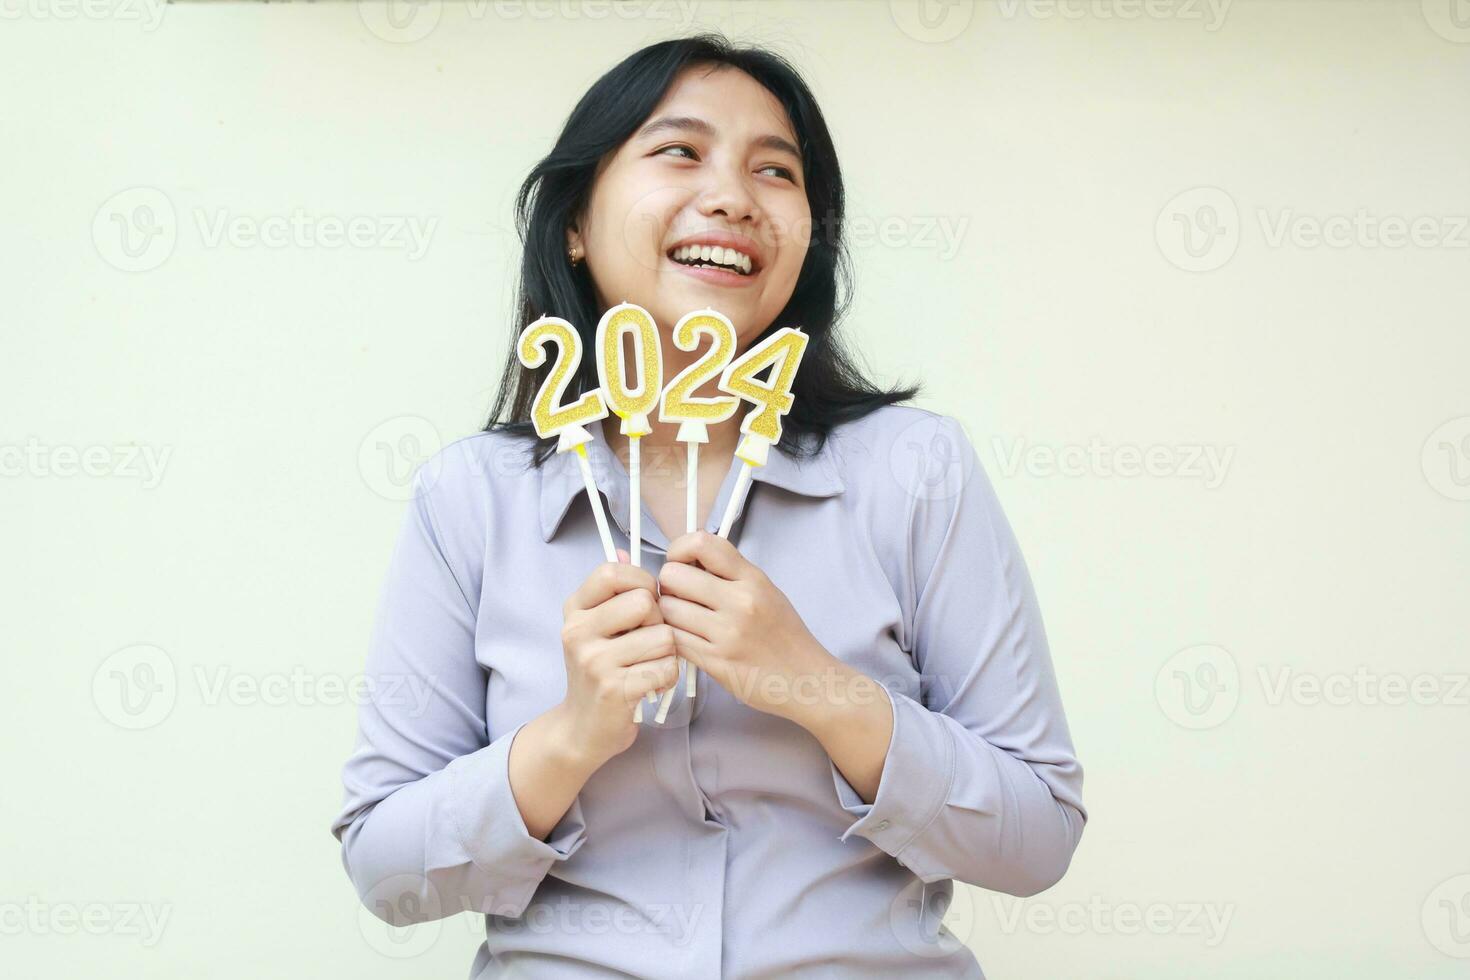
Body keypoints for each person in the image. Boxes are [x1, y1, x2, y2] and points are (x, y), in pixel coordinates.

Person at [331, 33, 1086, 978]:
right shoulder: (469, 498)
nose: (733, 196)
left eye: (776, 170)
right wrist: (570, 737)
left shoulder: (916, 470)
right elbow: (387, 874)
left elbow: (1037, 841)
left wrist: (815, 685)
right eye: (679, 151)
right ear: (575, 219)